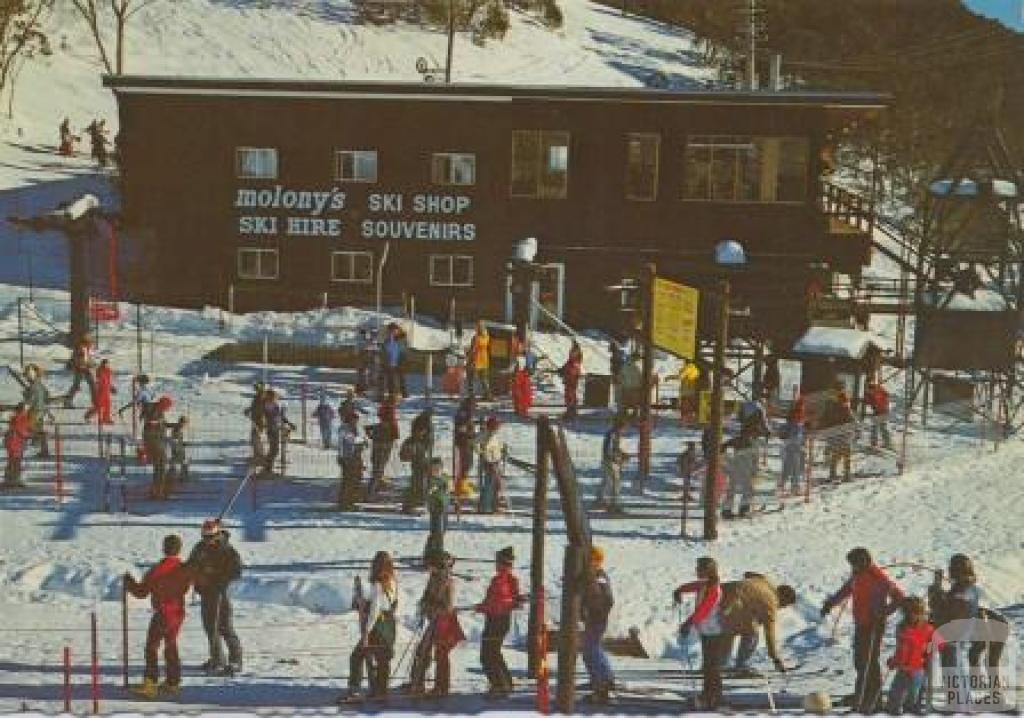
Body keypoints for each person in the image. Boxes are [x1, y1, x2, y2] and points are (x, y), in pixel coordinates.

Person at [821, 547, 905, 713]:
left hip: (874, 625)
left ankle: (872, 698)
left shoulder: (879, 578)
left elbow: (899, 597)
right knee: (860, 661)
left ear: (864, 562)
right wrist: (830, 603)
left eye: (855, 564)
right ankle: (865, 693)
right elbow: (846, 590)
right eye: (852, 565)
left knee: (869, 662)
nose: (853, 568)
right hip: (861, 624)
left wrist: (883, 612)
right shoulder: (857, 575)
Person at [125, 534, 193, 698]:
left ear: (164, 548)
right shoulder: (184, 568)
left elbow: (141, 592)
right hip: (178, 613)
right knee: (171, 645)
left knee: (152, 647)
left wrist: (129, 582)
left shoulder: (156, 570)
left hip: (163, 613)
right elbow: (186, 588)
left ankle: (150, 683)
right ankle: (173, 682)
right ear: (179, 549)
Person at [929, 554, 1007, 687]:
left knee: (955, 662)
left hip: (960, 632)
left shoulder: (960, 589)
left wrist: (936, 588)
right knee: (977, 657)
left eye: (951, 569)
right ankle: (981, 685)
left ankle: (958, 696)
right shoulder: (970, 586)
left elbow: (944, 609)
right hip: (984, 627)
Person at [187, 518, 243, 675]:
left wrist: (216, 577)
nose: (207, 541)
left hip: (221, 593)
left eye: (210, 537)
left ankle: (235, 661)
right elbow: (191, 564)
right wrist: (196, 573)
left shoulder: (227, 550)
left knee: (225, 627)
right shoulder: (199, 548)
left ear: (218, 535)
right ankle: (217, 658)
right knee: (210, 628)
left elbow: (236, 571)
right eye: (204, 537)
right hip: (206, 593)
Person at [673, 556, 726, 710]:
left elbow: (703, 610)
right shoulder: (705, 584)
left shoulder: (714, 589)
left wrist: (688, 623)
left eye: (699, 568)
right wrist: (679, 590)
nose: (696, 570)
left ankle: (714, 697)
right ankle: (709, 694)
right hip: (707, 631)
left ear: (708, 570)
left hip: (714, 632)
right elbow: (693, 586)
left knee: (712, 666)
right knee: (708, 665)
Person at [410, 550, 465, 697]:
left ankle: (441, 687)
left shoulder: (445, 579)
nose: (427, 567)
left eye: (430, 564)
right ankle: (417, 682)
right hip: (434, 620)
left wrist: (429, 606)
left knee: (440, 654)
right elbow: (427, 597)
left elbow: (446, 606)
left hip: (443, 622)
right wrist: (424, 604)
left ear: (436, 564)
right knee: (423, 650)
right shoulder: (434, 577)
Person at [719, 573, 796, 673]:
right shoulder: (772, 602)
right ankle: (742, 665)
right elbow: (769, 634)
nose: (782, 607)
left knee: (729, 631)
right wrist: (775, 659)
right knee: (752, 633)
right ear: (783, 597)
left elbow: (748, 574)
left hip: (720, 593)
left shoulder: (765, 582)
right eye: (785, 605)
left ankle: (720, 665)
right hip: (734, 604)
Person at [347, 551, 398, 700]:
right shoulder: (393, 581)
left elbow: (375, 611)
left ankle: (355, 689)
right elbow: (388, 604)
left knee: (357, 656)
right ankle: (381, 691)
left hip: (377, 627)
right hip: (388, 625)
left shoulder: (377, 584)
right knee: (383, 659)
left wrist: (366, 633)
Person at [476, 546, 524, 698]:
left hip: (496, 621)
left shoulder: (501, 581)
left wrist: (483, 607)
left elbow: (498, 603)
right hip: (499, 621)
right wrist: (482, 606)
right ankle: (505, 683)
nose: (495, 565)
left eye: (497, 562)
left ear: (503, 563)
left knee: (487, 655)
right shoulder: (509, 580)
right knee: (493, 653)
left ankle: (499, 685)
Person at [886, 596, 938, 715]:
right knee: (895, 697)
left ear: (920, 613)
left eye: (914, 613)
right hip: (902, 669)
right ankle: (894, 709)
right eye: (907, 612)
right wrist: (894, 661)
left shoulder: (927, 628)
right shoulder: (901, 627)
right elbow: (900, 648)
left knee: (913, 699)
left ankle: (914, 708)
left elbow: (938, 644)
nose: (910, 616)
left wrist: (928, 652)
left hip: (917, 669)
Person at [581, 545, 615, 704]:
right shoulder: (593, 576)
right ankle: (601, 679)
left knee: (592, 650)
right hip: (593, 618)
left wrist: (594, 611)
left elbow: (606, 599)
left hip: (598, 618)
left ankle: (603, 683)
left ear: (596, 561)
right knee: (591, 649)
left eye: (590, 560)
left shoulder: (599, 577)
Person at [721, 419, 759, 519]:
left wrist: (754, 471)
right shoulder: (738, 441)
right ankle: (728, 510)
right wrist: (726, 461)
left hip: (745, 469)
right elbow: (722, 447)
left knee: (746, 489)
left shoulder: (753, 443)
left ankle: (742, 508)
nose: (748, 435)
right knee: (734, 489)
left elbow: (755, 459)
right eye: (747, 432)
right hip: (737, 468)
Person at [142, 396, 174, 499]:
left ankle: (157, 491)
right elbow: (151, 425)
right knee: (160, 467)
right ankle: (158, 492)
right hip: (155, 443)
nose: (168, 409)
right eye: (168, 407)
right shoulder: (155, 411)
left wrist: (175, 425)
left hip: (158, 443)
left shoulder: (158, 411)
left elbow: (161, 424)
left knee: (160, 468)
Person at [403, 408, 434, 512]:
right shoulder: (414, 440)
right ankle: (412, 501)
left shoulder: (421, 438)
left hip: (422, 458)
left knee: (421, 480)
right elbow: (406, 454)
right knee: (417, 480)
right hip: (418, 460)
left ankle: (418, 499)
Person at [596, 415, 628, 514]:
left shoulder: (614, 435)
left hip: (610, 461)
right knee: (614, 483)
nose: (625, 431)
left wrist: (622, 454)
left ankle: (602, 500)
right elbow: (610, 450)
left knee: (608, 481)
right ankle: (613, 504)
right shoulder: (613, 435)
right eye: (624, 428)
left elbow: (615, 449)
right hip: (610, 462)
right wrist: (618, 458)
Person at [368, 400, 399, 497]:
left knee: (377, 469)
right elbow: (393, 436)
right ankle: (371, 492)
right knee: (378, 470)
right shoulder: (388, 425)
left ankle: (374, 488)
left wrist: (371, 435)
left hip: (379, 450)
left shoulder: (381, 426)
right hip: (382, 450)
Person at [475, 415, 505, 513]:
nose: (498, 428)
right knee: (490, 484)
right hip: (491, 462)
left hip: (494, 461)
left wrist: (502, 449)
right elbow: (484, 448)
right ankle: (485, 506)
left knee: (494, 484)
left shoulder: (489, 434)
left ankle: (492, 505)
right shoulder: (488, 435)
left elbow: (477, 443)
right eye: (497, 426)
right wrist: (487, 458)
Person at [337, 411, 367, 510]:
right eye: (354, 420)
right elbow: (352, 440)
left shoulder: (353, 429)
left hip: (354, 457)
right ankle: (345, 501)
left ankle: (351, 500)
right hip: (347, 458)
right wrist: (363, 440)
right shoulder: (344, 428)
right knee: (348, 480)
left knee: (355, 479)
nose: (355, 422)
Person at [262, 389, 295, 476]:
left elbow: (281, 417)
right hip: (272, 429)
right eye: (274, 396)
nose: (275, 398)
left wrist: (288, 423)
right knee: (274, 449)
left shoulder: (274, 405)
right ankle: (267, 468)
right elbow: (276, 417)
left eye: (275, 397)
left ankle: (268, 467)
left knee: (274, 449)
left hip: (275, 428)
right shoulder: (267, 406)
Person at [824, 388, 855, 482]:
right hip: (844, 437)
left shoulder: (835, 409)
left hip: (838, 437)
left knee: (837, 456)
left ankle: (834, 474)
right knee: (845, 457)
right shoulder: (846, 411)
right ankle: (845, 475)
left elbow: (829, 422)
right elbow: (852, 423)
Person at [423, 458, 450, 562]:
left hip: (444, 507)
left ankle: (433, 551)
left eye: (438, 469)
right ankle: (436, 552)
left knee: (443, 530)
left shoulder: (444, 477)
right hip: (436, 508)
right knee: (436, 532)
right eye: (434, 469)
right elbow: (429, 491)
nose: (436, 471)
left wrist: (448, 489)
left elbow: (448, 488)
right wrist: (432, 489)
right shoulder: (431, 480)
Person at [778, 407, 806, 496]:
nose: (799, 417)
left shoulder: (798, 425)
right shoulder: (793, 425)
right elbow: (791, 437)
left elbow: (801, 437)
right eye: (798, 415)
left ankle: (784, 484)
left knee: (789, 468)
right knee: (794, 469)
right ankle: (794, 487)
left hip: (793, 449)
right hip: (791, 449)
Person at [64, 334, 97, 409]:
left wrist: (92, 364)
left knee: (92, 385)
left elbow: (88, 359)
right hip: (80, 369)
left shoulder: (87, 349)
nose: (91, 344)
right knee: (77, 385)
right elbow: (79, 359)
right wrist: (83, 365)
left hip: (86, 369)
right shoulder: (81, 348)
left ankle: (95, 402)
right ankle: (67, 401)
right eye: (90, 342)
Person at [3, 403, 31, 487]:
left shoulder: (18, 418)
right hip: (15, 442)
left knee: (14, 461)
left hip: (15, 442)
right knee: (14, 462)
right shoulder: (21, 418)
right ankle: (11, 480)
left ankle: (12, 479)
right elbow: (22, 431)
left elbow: (23, 430)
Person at [453, 398, 475, 499]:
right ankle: (460, 487)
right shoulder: (463, 414)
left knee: (468, 464)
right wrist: (470, 433)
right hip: (463, 443)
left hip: (467, 442)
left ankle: (463, 485)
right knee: (464, 465)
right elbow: (461, 429)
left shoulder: (466, 413)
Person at [467, 321, 491, 401]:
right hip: (484, 360)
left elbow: (473, 350)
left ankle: (472, 396)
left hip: (476, 360)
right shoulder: (487, 337)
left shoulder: (476, 338)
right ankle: (488, 395)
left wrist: (468, 357)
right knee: (484, 379)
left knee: (472, 379)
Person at [864, 382, 893, 450]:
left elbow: (881, 400)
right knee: (880, 427)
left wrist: (875, 406)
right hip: (879, 412)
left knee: (877, 427)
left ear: (871, 389)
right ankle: (886, 443)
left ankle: (876, 444)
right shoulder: (875, 392)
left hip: (882, 411)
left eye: (868, 390)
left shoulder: (878, 392)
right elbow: (870, 402)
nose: (868, 392)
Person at [381, 323, 406, 401]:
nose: (392, 332)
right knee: (390, 380)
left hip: (398, 362)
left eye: (394, 330)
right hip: (389, 362)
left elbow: (403, 350)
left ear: (397, 330)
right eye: (390, 331)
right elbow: (384, 350)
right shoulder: (387, 340)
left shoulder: (401, 339)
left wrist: (402, 361)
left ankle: (403, 394)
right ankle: (391, 395)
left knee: (400, 379)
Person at [243, 383, 267, 464]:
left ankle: (260, 456)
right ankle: (257, 455)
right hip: (255, 419)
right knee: (254, 438)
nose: (255, 389)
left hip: (260, 420)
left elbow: (261, 408)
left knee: (257, 438)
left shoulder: (262, 397)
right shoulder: (258, 396)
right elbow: (254, 407)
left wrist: (252, 411)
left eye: (257, 387)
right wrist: (249, 410)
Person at [560, 341, 583, 420]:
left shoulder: (575, 361)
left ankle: (571, 411)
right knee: (570, 394)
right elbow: (569, 363)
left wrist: (565, 370)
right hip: (570, 377)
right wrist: (563, 369)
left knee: (570, 394)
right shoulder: (573, 361)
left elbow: (571, 365)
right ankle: (571, 410)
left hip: (571, 378)